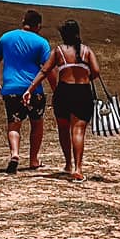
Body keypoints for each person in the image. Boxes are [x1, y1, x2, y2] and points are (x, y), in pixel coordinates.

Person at [26, 16, 101, 181]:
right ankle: (78, 168)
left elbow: (45, 71)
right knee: (78, 131)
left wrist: (30, 89)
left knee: (63, 130)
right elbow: (96, 71)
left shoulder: (58, 51)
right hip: (82, 92)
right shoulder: (87, 51)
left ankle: (68, 163)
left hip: (63, 92)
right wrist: (85, 74)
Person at [0, 10, 52, 174]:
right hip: (34, 89)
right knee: (37, 123)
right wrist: (56, 89)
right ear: (38, 26)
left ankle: (15, 154)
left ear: (23, 20)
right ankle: (33, 159)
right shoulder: (41, 42)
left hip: (11, 89)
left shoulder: (6, 37)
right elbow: (48, 69)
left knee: (13, 124)